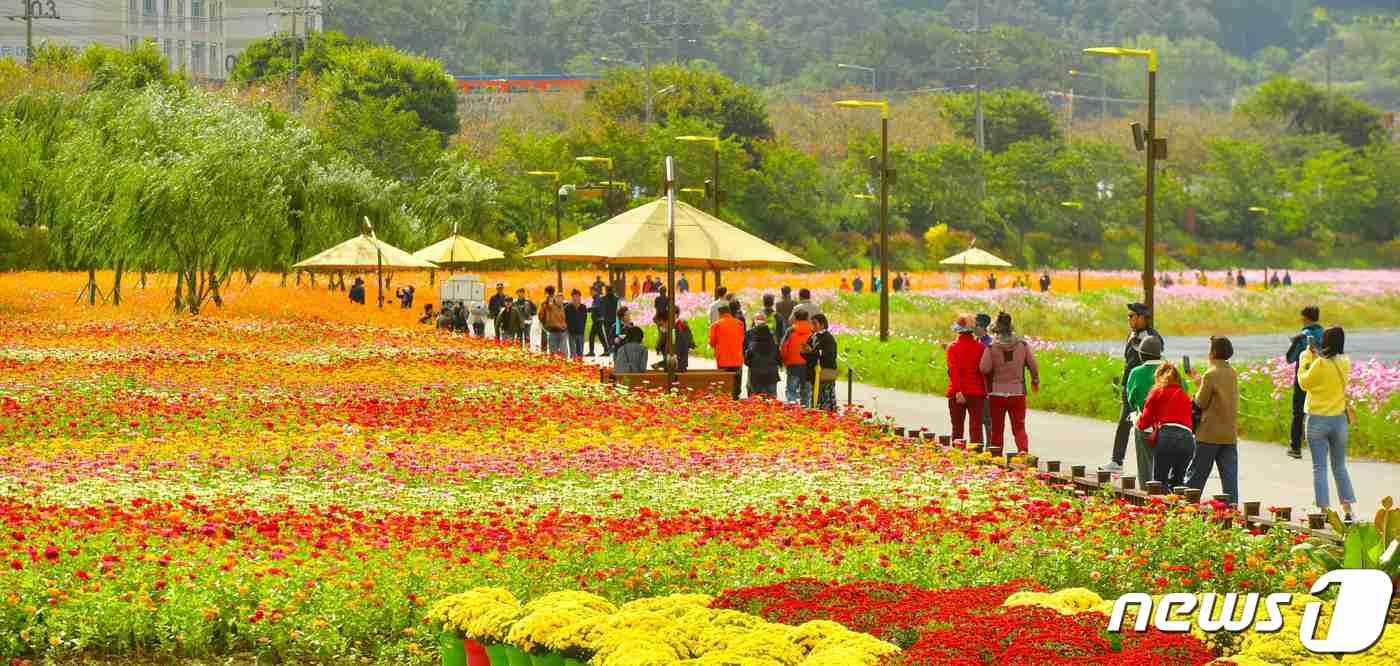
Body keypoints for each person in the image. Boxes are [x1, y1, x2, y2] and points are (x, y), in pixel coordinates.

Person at [1298, 327, 1357, 520]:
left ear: (1325, 341)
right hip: (1339, 420)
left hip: (1317, 419)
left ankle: (1324, 510)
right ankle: (1348, 509)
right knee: (1339, 466)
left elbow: (1304, 383)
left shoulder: (1320, 363)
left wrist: (1306, 358)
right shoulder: (1345, 361)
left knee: (1319, 467)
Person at [1102, 303, 1164, 475]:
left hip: (1147, 388)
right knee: (1124, 423)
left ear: (1143, 317)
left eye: (1132, 316)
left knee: (1151, 425)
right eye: (1128, 316)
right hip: (1129, 384)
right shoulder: (1131, 335)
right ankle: (1117, 460)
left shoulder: (1153, 337)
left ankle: (1155, 465)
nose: (1129, 319)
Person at [1186, 336, 1240, 505]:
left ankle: (1188, 507)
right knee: (1229, 478)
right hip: (1229, 433)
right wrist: (1200, 382)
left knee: (1197, 475)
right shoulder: (1232, 372)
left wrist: (1197, 387)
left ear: (1214, 352)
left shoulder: (1210, 373)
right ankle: (1232, 510)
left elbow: (1201, 402)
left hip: (1209, 433)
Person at [979, 313, 1039, 454]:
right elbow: (1033, 366)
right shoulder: (1022, 345)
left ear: (997, 329)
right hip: (1017, 392)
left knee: (997, 428)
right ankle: (1023, 453)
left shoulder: (991, 347)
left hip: (997, 393)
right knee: (1019, 427)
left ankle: (996, 456)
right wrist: (1035, 379)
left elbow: (984, 368)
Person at [1136, 363, 1197, 489]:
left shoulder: (1157, 392)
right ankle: (1180, 508)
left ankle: (1158, 508)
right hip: (1187, 439)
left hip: (1167, 437)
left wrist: (1136, 419)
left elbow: (1143, 423)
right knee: (1178, 484)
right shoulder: (1185, 396)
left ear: (1159, 377)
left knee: (1159, 483)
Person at [1285, 306, 1325, 460]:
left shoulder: (1302, 336)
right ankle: (1321, 447)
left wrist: (1294, 342)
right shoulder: (1326, 334)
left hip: (1304, 378)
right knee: (1319, 411)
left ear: (1306, 318)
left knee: (1299, 412)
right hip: (1323, 376)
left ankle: (1295, 447)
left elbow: (1290, 358)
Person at [946, 314, 987, 443]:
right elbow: (984, 371)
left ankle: (958, 456)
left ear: (958, 331)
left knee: (957, 429)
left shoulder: (952, 348)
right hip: (977, 392)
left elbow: (954, 371)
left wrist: (958, 391)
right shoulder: (981, 347)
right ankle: (978, 456)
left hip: (957, 393)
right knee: (976, 428)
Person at [710, 301, 747, 400]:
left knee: (724, 381)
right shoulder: (739, 323)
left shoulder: (716, 325)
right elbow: (743, 339)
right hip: (737, 358)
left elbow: (712, 342)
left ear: (720, 314)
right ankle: (736, 395)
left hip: (723, 358)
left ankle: (726, 398)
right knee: (736, 379)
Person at [803, 313, 839, 411]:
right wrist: (805, 351)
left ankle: (827, 416)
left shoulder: (828, 338)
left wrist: (812, 352)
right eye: (811, 324)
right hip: (814, 372)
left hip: (825, 372)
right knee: (815, 397)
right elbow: (810, 355)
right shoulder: (813, 337)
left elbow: (828, 357)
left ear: (822, 325)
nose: (812, 326)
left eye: (815, 324)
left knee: (825, 397)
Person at [781, 310, 814, 407]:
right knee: (806, 390)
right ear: (807, 318)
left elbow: (784, 347)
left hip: (793, 364)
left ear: (795, 318)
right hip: (808, 364)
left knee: (791, 390)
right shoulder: (812, 331)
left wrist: (784, 361)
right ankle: (805, 409)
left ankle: (792, 410)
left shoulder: (790, 330)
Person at [745, 313, 781, 398]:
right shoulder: (774, 345)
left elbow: (747, 361)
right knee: (772, 401)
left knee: (756, 401)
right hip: (771, 377)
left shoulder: (752, 346)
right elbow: (779, 359)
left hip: (756, 377)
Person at [653, 307, 695, 372]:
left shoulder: (674, 334)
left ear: (667, 321)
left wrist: (659, 364)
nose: (660, 327)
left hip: (677, 370)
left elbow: (675, 356)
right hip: (673, 368)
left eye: (661, 324)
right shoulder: (671, 333)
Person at [539, 286, 568, 356]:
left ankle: (544, 353)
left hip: (550, 327)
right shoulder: (560, 302)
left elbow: (540, 315)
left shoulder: (545, 303)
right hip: (559, 328)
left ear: (546, 292)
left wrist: (543, 322)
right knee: (561, 350)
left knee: (551, 348)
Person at [590, 285, 618, 356]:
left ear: (606, 290)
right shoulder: (616, 299)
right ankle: (610, 349)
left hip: (605, 320)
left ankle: (608, 350)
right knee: (612, 335)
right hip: (614, 320)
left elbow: (601, 308)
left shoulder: (603, 299)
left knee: (606, 336)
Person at [564, 290, 588, 359]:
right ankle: (574, 364)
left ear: (580, 297)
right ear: (571, 297)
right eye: (574, 296)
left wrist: (583, 328)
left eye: (577, 296)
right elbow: (565, 319)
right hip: (571, 332)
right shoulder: (567, 308)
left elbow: (584, 319)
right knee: (573, 352)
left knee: (580, 352)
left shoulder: (583, 307)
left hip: (580, 332)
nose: (576, 298)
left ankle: (580, 364)